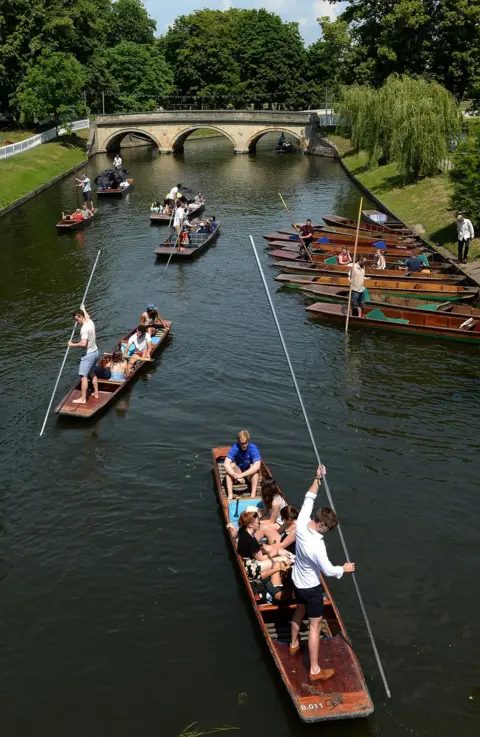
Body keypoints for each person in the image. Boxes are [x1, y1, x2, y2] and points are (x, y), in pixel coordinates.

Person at [290, 466, 355, 681]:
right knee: (315, 626)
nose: (328, 533)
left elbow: (309, 497)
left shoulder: (300, 522)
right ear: (322, 524)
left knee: (299, 611)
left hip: (296, 581)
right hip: (310, 588)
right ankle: (315, 670)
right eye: (328, 529)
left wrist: (317, 478)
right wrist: (343, 569)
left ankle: (292, 644)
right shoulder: (318, 545)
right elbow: (327, 570)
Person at [235, 510, 291, 580]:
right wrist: (276, 552)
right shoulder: (251, 541)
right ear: (250, 525)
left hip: (246, 561)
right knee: (285, 558)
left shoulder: (242, 530)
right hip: (252, 567)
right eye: (258, 523)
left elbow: (235, 535)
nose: (260, 524)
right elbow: (261, 559)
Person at [68, 303, 99, 404]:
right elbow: (87, 316)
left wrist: (72, 344)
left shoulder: (84, 329)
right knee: (92, 373)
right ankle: (96, 393)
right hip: (95, 352)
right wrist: (83, 308)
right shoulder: (90, 322)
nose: (76, 322)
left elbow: (83, 343)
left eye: (77, 319)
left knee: (83, 376)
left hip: (89, 355)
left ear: (81, 317)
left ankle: (83, 399)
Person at [224, 430, 261, 500]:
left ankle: (253, 495)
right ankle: (230, 495)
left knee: (254, 468)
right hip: (239, 472)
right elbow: (226, 463)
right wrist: (234, 475)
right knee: (231, 465)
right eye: (242, 443)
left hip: (248, 474)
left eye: (245, 443)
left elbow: (257, 466)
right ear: (238, 442)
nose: (244, 445)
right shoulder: (235, 448)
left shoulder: (253, 448)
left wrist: (242, 475)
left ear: (248, 441)